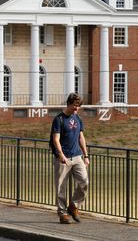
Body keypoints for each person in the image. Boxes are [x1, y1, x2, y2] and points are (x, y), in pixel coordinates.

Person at [51, 93, 90, 224]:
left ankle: (73, 205)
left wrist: (86, 156)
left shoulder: (78, 119)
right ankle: (62, 213)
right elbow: (55, 139)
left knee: (84, 182)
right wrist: (61, 155)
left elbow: (81, 138)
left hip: (77, 156)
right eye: (74, 106)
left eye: (78, 106)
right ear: (68, 104)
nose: (76, 108)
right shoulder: (59, 119)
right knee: (60, 187)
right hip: (63, 158)